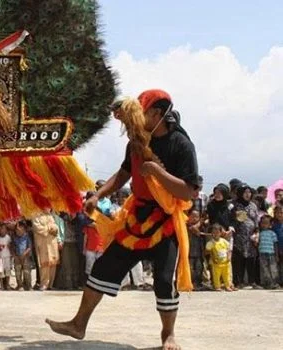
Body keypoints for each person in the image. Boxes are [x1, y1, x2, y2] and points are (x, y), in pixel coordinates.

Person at [47, 89, 199, 350]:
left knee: (164, 280)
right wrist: (98, 194)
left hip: (166, 221)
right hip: (136, 218)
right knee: (102, 267)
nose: (136, 119)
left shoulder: (181, 144)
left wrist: (156, 171)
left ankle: (168, 336)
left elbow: (189, 191)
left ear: (157, 114)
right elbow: (123, 174)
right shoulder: (136, 143)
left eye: (143, 113)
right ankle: (78, 324)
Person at [230, 184, 260, 289]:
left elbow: (256, 220)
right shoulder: (234, 205)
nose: (247, 194)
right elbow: (232, 219)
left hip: (251, 237)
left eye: (249, 192)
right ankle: (239, 281)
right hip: (239, 236)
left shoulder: (253, 205)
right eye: (245, 192)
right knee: (239, 259)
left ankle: (252, 281)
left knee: (252, 259)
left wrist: (256, 233)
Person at [31, 211, 61, 290]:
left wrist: (49, 228)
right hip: (42, 243)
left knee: (53, 264)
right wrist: (49, 228)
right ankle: (44, 284)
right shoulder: (35, 215)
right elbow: (37, 228)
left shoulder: (50, 216)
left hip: (52, 243)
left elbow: (56, 227)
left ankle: (50, 284)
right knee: (44, 264)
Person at [254, 215, 279, 289]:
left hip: (271, 253)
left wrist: (276, 255)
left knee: (273, 268)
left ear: (270, 225)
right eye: (262, 223)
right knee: (264, 269)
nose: (264, 225)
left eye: (266, 223)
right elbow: (257, 243)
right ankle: (266, 283)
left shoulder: (272, 233)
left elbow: (275, 244)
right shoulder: (260, 234)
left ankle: (274, 283)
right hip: (262, 254)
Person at [205, 224, 233, 291]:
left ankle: (227, 286)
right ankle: (217, 286)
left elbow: (229, 249)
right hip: (216, 263)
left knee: (226, 275)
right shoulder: (210, 243)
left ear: (221, 233)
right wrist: (212, 256)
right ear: (211, 233)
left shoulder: (224, 241)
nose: (215, 234)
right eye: (213, 233)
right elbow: (207, 251)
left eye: (217, 232)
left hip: (225, 262)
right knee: (216, 276)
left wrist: (229, 257)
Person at [186, 209, 206, 290]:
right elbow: (193, 229)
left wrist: (200, 223)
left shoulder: (202, 226)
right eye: (193, 216)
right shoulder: (186, 225)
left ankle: (198, 283)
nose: (194, 218)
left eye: (197, 217)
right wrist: (199, 222)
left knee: (199, 268)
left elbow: (199, 232)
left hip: (199, 252)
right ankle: (190, 283)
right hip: (189, 252)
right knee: (190, 269)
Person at [11, 220, 33, 291]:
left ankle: (29, 285)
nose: (19, 232)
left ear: (24, 230)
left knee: (27, 272)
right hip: (17, 257)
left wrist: (24, 254)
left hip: (25, 257)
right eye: (17, 230)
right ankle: (20, 285)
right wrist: (14, 256)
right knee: (18, 272)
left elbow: (29, 247)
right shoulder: (14, 238)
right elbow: (12, 247)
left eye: (21, 230)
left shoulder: (27, 237)